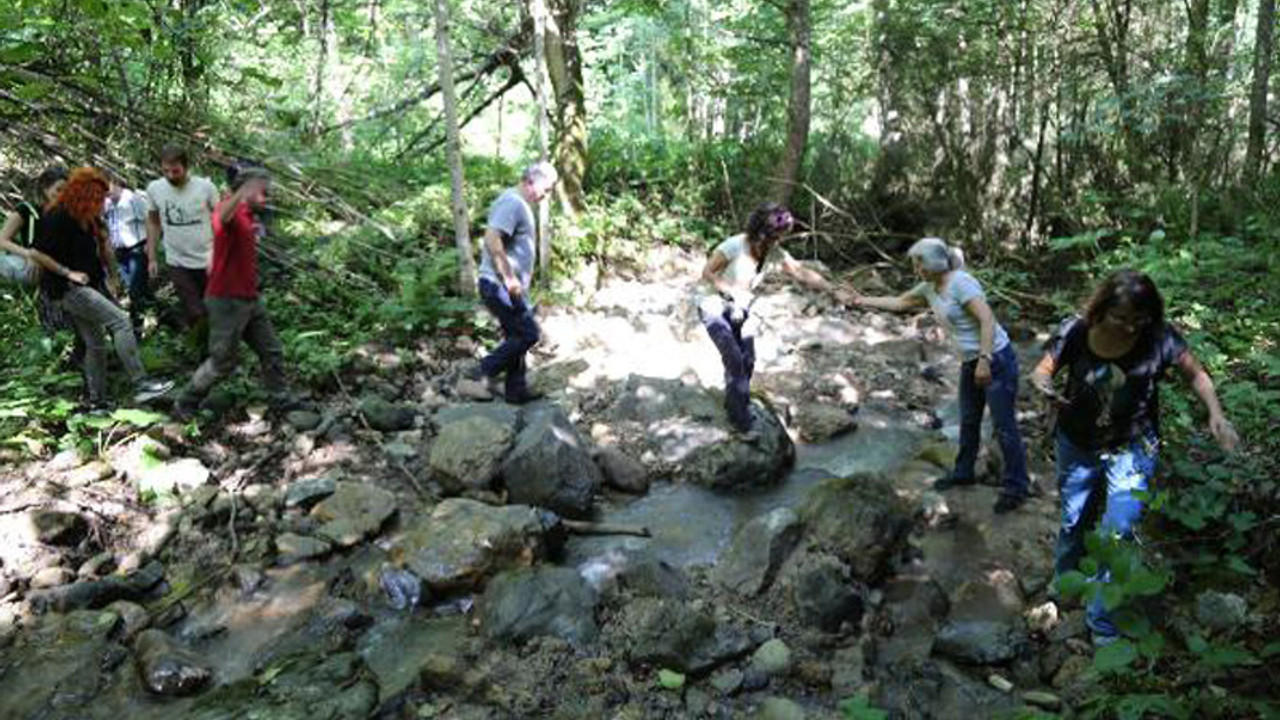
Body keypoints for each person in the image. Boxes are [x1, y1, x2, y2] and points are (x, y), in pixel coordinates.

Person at [1030, 269, 1238, 643]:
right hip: (1077, 443)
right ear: (1101, 310)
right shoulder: (1076, 331)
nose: (1130, 327)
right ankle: (1065, 583)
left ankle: (1100, 620)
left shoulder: (1159, 337)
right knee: (1073, 518)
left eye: (1138, 319)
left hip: (1133, 446)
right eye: (1121, 318)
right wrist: (1044, 387)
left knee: (1117, 531)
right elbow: (1042, 371)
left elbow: (1197, 375)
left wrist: (1216, 412)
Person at [851, 237, 1031, 513]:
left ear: (935, 261)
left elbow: (987, 320)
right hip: (970, 362)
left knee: (1004, 426)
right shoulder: (930, 286)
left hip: (996, 360)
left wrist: (985, 360)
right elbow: (900, 302)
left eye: (918, 262)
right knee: (969, 420)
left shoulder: (961, 283)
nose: (915, 268)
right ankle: (963, 472)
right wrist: (859, 299)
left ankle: (1017, 487)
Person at [27, 167, 172, 408]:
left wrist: (113, 277)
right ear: (82, 193)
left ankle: (97, 402)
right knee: (121, 322)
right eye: (97, 196)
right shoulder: (57, 216)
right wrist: (67, 272)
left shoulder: (87, 216)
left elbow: (105, 247)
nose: (102, 201)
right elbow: (36, 252)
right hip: (67, 289)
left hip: (87, 285)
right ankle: (141, 384)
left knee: (95, 343)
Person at [697, 202, 837, 440]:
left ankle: (737, 400)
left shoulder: (773, 252)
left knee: (748, 358)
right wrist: (732, 291)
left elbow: (801, 272)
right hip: (713, 305)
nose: (779, 241)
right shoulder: (733, 246)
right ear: (763, 232)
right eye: (777, 236)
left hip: (741, 308)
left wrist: (832, 288)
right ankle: (740, 423)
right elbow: (708, 273)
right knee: (733, 357)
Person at [174, 167, 290, 418]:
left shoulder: (248, 215)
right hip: (227, 300)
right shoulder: (228, 208)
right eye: (262, 191)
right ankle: (186, 402)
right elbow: (223, 218)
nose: (267, 197)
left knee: (271, 351)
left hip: (249, 297)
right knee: (221, 362)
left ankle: (281, 400)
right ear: (246, 189)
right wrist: (241, 193)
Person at [463, 161, 558, 405]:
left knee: (516, 335)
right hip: (499, 284)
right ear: (530, 181)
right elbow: (492, 239)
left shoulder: (519, 204)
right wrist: (509, 277)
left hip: (506, 286)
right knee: (528, 334)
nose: (546, 196)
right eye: (545, 189)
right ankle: (481, 371)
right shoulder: (512, 202)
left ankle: (516, 391)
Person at [145, 145, 218, 332]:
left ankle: (223, 350)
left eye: (175, 171)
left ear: (186, 167)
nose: (170, 175)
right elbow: (153, 223)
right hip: (177, 261)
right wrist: (152, 257)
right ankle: (204, 351)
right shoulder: (155, 189)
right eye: (165, 171)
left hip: (208, 259)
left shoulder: (205, 188)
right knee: (194, 311)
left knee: (215, 308)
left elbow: (220, 221)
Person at [0, 166, 67, 288]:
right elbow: (2, 241)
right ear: (45, 188)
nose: (62, 196)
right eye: (58, 190)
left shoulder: (64, 214)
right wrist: (28, 254)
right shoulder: (26, 210)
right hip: (30, 266)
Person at [105, 176, 153, 331]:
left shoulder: (133, 199)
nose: (104, 192)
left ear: (114, 183)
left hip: (137, 250)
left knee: (134, 290)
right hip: (120, 253)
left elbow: (149, 221)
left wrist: (150, 246)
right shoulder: (107, 203)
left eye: (106, 187)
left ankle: (136, 328)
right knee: (139, 290)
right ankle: (163, 314)